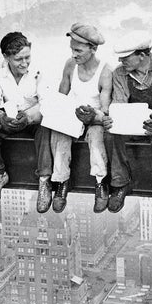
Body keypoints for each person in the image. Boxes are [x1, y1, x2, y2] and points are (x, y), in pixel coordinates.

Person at [0, 30, 50, 209]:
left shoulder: (40, 69)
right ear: (6, 57)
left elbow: (46, 103)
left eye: (27, 57)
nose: (25, 63)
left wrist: (27, 117)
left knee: (46, 126)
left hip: (34, 117)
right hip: (10, 116)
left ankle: (44, 179)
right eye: (19, 59)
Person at [46, 22, 113, 214]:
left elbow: (105, 108)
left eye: (78, 51)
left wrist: (93, 116)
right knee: (59, 133)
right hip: (71, 115)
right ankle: (61, 182)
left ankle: (100, 182)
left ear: (93, 49)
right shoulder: (70, 65)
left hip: (93, 117)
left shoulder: (105, 71)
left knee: (97, 135)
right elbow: (62, 96)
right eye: (72, 50)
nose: (74, 55)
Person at [108, 35, 152, 216]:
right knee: (111, 133)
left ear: (143, 55)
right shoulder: (119, 73)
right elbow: (119, 104)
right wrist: (117, 120)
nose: (121, 61)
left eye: (126, 57)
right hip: (132, 123)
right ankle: (120, 183)